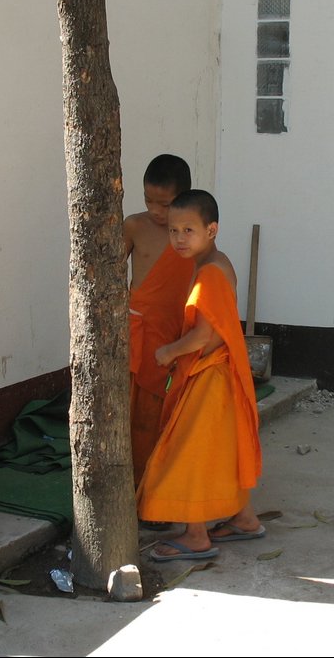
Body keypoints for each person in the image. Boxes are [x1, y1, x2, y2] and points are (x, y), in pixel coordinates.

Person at [136, 189, 265, 561]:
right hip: (219, 374)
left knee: (187, 453)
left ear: (212, 229)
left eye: (188, 230)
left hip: (210, 377)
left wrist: (166, 353)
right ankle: (244, 518)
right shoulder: (217, 262)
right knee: (220, 452)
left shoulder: (209, 273)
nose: (178, 238)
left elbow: (204, 335)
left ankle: (195, 537)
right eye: (174, 231)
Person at [123, 154, 194, 505]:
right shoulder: (134, 226)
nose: (155, 211)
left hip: (174, 334)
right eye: (149, 200)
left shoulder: (189, 236)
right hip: (138, 331)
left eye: (164, 204)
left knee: (165, 417)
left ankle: (159, 491)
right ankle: (133, 492)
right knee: (135, 416)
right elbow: (109, 273)